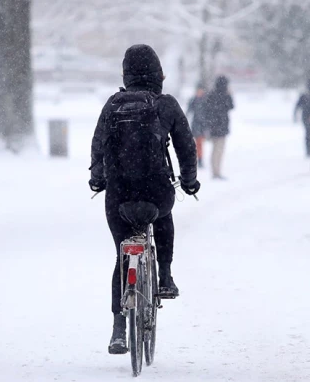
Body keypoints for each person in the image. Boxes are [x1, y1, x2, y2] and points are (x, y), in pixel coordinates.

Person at [88, 44, 200, 354]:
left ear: (126, 74)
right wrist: (189, 182)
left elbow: (97, 146)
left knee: (122, 256)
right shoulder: (166, 105)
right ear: (158, 75)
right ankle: (164, 275)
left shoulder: (112, 106)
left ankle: (118, 329)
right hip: (156, 192)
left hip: (119, 197)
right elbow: (186, 147)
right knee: (163, 217)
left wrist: (98, 179)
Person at [204, 75, 234, 179]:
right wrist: (230, 94)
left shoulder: (211, 94)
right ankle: (216, 172)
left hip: (213, 126)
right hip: (222, 127)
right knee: (219, 150)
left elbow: (207, 110)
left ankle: (214, 170)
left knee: (214, 150)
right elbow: (231, 106)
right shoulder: (225, 95)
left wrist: (208, 125)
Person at [186, 81, 207, 168]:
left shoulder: (206, 100)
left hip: (203, 124)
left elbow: (208, 113)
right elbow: (188, 111)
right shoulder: (193, 99)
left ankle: (200, 158)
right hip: (195, 124)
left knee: (200, 143)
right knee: (196, 143)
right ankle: (197, 158)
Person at [294, 79, 310, 157]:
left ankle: (309, 150)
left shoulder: (305, 95)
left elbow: (297, 106)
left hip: (307, 117)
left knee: (309, 134)